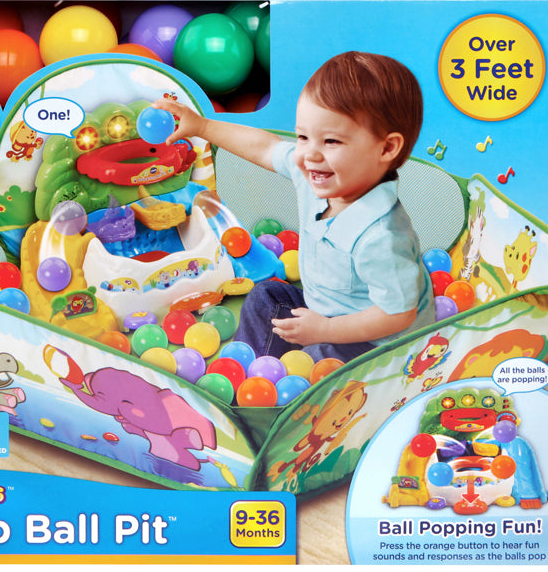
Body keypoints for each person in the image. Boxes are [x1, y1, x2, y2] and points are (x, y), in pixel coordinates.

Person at [154, 51, 434, 363]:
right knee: (266, 297)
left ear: (387, 148)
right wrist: (203, 127)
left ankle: (288, 382)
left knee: (319, 359)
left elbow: (398, 315)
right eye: (303, 137)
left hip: (381, 346)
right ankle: (252, 372)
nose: (310, 154)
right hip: (323, 312)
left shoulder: (382, 237)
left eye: (331, 141)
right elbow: (264, 147)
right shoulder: (316, 175)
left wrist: (326, 330)